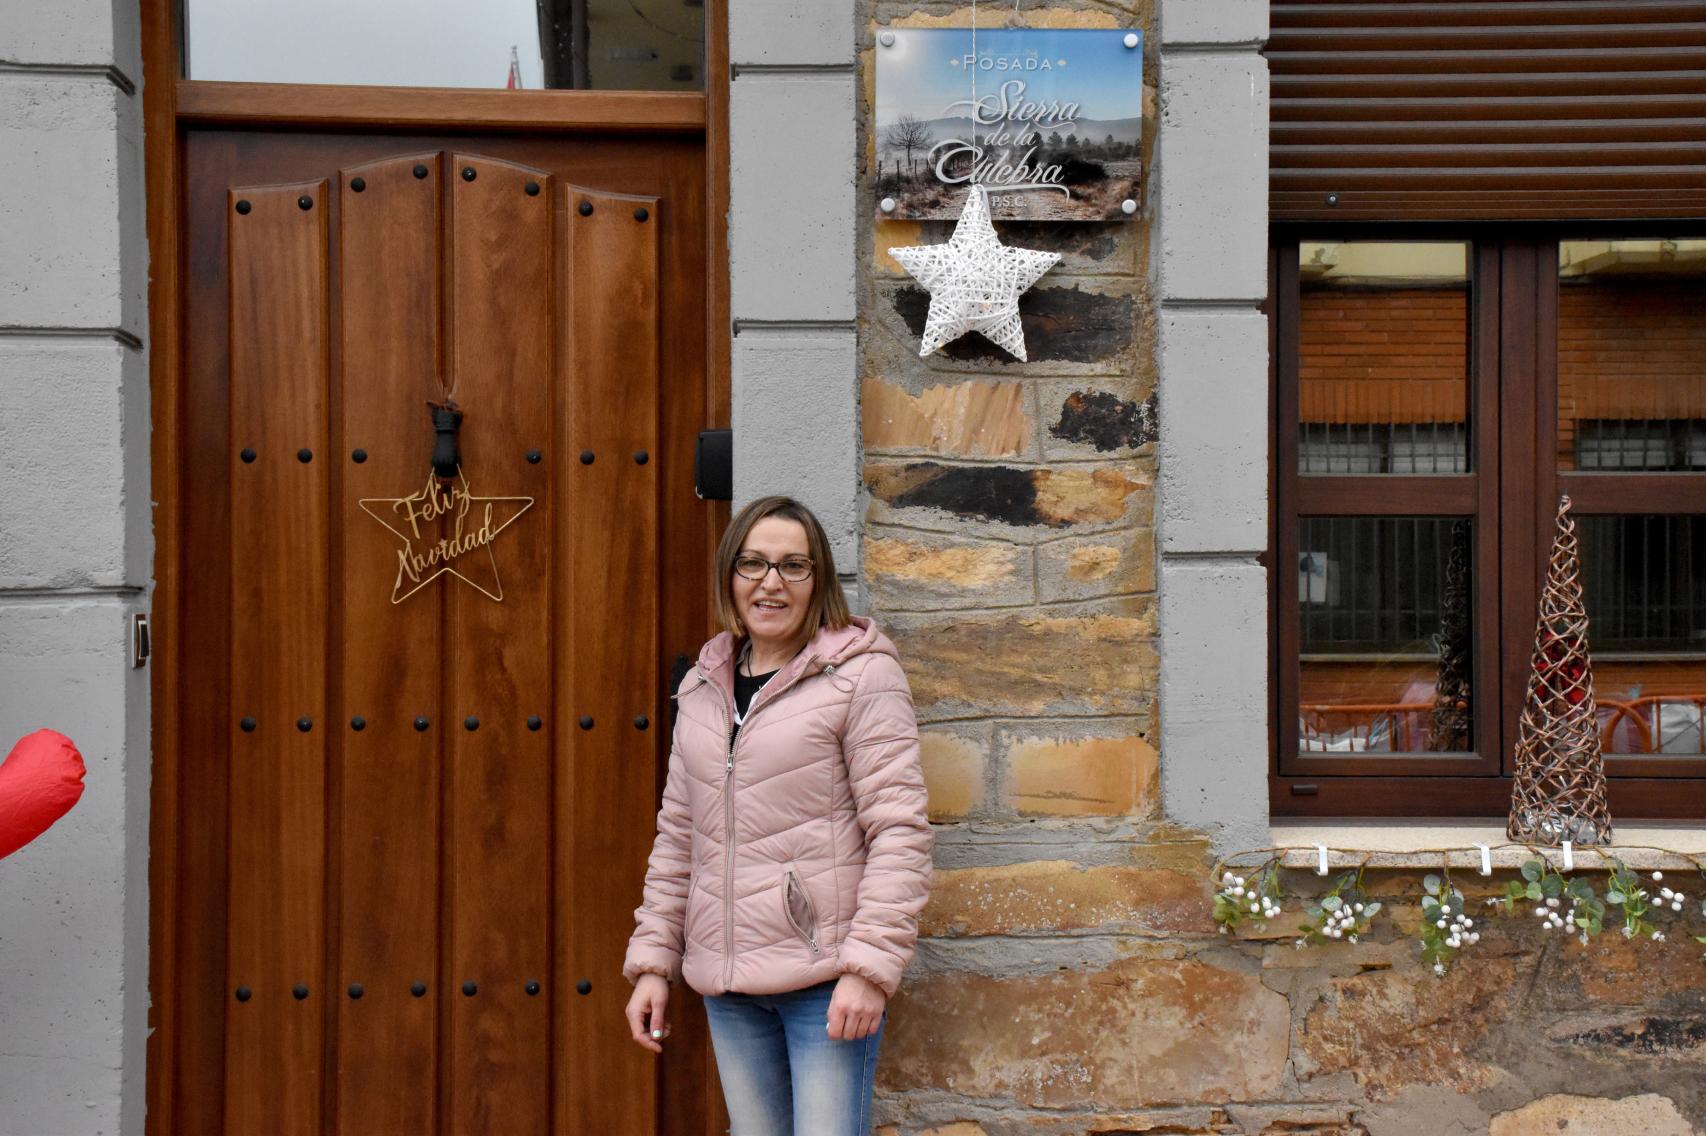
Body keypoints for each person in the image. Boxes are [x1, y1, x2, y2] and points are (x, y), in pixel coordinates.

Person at [623, 495, 933, 1136]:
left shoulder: (860, 677)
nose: (771, 582)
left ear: (818, 580)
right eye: (754, 564)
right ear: (730, 575)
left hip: (825, 984)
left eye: (793, 565)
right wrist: (654, 961)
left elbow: (898, 831)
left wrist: (868, 971)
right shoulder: (703, 686)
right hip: (730, 991)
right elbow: (679, 838)